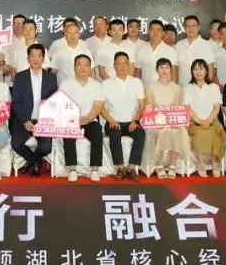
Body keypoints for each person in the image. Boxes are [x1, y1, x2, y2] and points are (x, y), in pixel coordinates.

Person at [10, 44, 56, 175]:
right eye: (32, 56)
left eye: (38, 56)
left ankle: (32, 162)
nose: (35, 59)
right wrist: (25, 121)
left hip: (43, 121)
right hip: (24, 119)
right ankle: (35, 161)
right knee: (16, 144)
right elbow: (16, 102)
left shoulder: (51, 77)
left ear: (43, 58)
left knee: (46, 147)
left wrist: (44, 120)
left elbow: (53, 102)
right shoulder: (20, 77)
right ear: (28, 59)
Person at [59, 54, 105, 182]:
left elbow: (98, 106)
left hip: (90, 120)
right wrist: (74, 119)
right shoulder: (66, 84)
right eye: (79, 64)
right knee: (68, 134)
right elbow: (62, 104)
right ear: (74, 67)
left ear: (90, 68)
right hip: (71, 120)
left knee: (97, 133)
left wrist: (88, 118)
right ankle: (72, 169)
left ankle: (94, 169)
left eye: (86, 65)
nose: (83, 68)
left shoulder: (96, 85)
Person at [102, 52, 146, 180]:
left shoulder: (137, 82)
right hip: (113, 122)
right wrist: (111, 120)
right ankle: (120, 168)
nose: (122, 66)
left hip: (132, 122)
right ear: (114, 66)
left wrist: (135, 121)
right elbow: (101, 107)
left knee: (140, 133)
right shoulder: (106, 83)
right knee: (115, 133)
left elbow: (141, 105)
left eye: (125, 63)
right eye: (119, 63)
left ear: (129, 65)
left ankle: (132, 167)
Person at [144, 58, 189, 178]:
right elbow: (150, 107)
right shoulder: (150, 87)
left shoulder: (177, 88)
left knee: (178, 130)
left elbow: (176, 107)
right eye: (161, 67)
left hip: (171, 120)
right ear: (157, 70)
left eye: (167, 67)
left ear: (170, 70)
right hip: (156, 121)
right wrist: (159, 121)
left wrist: (172, 121)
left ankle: (172, 165)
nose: (164, 70)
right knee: (161, 130)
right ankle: (159, 165)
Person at [183, 59, 225, 177]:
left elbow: (217, 107)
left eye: (201, 69)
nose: (198, 72)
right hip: (194, 121)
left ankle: (215, 162)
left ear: (206, 71)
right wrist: (200, 121)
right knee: (199, 133)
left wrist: (209, 120)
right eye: (195, 69)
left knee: (214, 132)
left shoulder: (214, 87)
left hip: (212, 120)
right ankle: (200, 163)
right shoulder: (187, 88)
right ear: (192, 72)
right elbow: (188, 109)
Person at [134, 20, 178, 85]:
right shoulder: (142, 50)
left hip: (164, 88)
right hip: (146, 88)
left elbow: (174, 73)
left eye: (158, 30)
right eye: (152, 29)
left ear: (163, 33)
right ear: (148, 32)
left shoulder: (170, 50)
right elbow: (138, 73)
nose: (155, 32)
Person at [176, 15, 216, 85]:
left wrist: (206, 86)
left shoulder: (206, 45)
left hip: (200, 87)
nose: (190, 29)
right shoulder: (179, 44)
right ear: (184, 28)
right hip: (182, 86)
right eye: (188, 26)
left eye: (193, 26)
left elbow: (210, 68)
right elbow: (176, 67)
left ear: (198, 27)